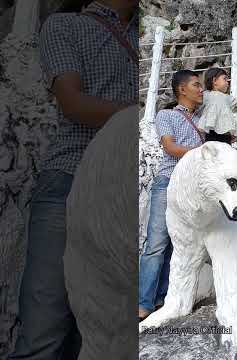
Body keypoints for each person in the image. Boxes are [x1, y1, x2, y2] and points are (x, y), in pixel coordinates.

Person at [9, 1, 138, 359]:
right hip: (71, 174)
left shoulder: (142, 34)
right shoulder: (65, 25)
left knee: (108, 337)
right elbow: (72, 102)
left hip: (125, 192)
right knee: (44, 331)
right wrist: (141, 115)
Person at [138, 70, 204, 321]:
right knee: (156, 244)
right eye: (196, 85)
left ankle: (162, 300)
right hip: (167, 183)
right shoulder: (166, 115)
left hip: (190, 189)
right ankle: (143, 302)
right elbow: (170, 147)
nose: (201, 89)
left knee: (177, 245)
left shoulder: (202, 120)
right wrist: (203, 150)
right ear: (181, 90)